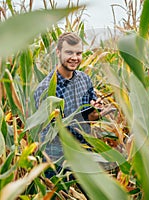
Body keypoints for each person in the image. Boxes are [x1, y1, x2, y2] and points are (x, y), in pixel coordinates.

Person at [34, 32, 110, 170]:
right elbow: (50, 131)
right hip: (57, 158)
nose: (75, 58)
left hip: (84, 149)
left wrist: (96, 112)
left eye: (79, 53)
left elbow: (90, 106)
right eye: (69, 52)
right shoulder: (45, 90)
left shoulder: (85, 79)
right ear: (58, 52)